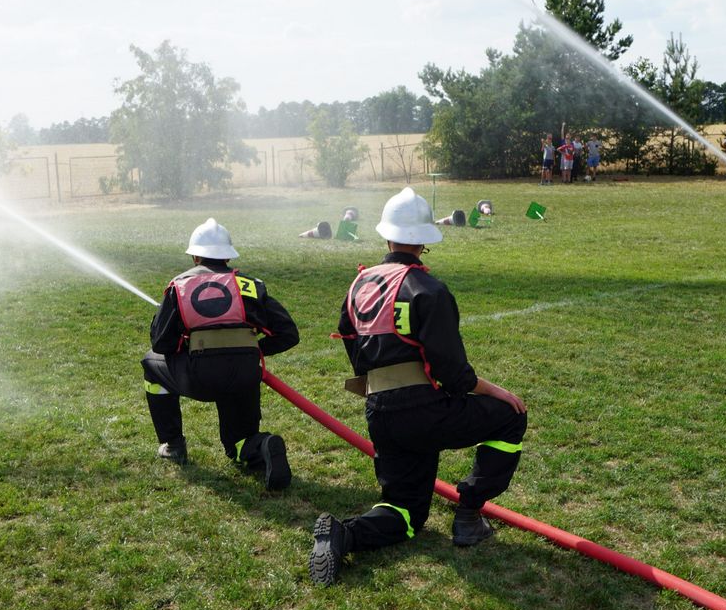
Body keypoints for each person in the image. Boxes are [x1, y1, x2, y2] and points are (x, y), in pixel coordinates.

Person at [308, 187, 528, 586]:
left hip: (379, 412)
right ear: (425, 240)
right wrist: (495, 391)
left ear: (387, 237)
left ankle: (345, 535)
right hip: (424, 410)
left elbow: (350, 341)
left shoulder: (358, 285)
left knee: (405, 511)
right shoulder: (429, 290)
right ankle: (469, 514)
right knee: (510, 417)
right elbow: (454, 373)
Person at [141, 218, 301, 489]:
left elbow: (161, 344)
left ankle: (173, 444)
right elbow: (288, 334)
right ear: (228, 256)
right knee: (238, 443)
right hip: (245, 375)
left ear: (195, 256)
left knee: (150, 364)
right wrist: (253, 351)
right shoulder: (250, 285)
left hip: (200, 377)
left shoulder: (179, 286)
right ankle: (262, 445)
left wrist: (187, 340)